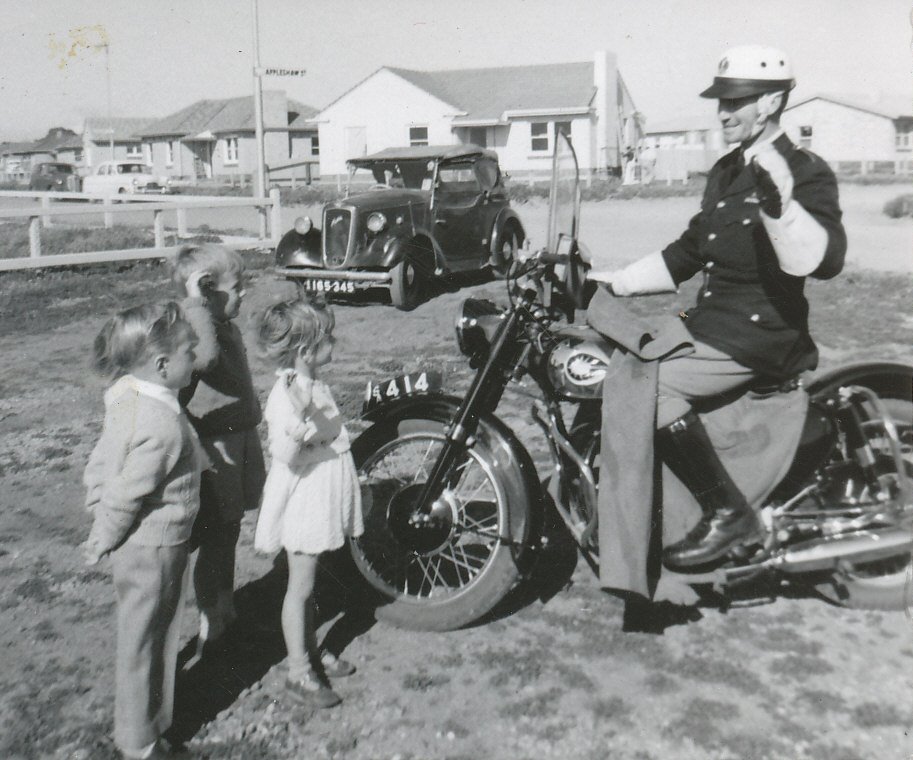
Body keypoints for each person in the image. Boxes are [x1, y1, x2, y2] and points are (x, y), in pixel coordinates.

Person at [588, 45, 846, 570]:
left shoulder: (804, 171)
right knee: (617, 358)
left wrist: (781, 209)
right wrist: (611, 283)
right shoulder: (727, 171)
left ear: (771, 102)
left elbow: (823, 261)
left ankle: (726, 512)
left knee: (644, 389)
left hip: (759, 335)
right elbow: (687, 253)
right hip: (708, 324)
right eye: (720, 102)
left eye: (738, 101)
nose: (724, 112)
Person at [83, 302, 207, 760]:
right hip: (154, 548)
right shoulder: (161, 426)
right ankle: (139, 743)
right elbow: (127, 493)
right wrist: (103, 534)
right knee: (148, 644)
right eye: (190, 352)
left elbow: (102, 462)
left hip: (149, 546)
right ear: (161, 365)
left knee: (151, 639)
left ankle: (149, 726)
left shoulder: (131, 397)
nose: (196, 360)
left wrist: (97, 503)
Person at [253, 296, 364, 708]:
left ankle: (310, 651)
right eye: (328, 337)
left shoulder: (313, 384)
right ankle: (298, 671)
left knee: (312, 584)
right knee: (300, 588)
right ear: (305, 351)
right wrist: (300, 422)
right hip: (304, 501)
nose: (335, 341)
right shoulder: (286, 395)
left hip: (322, 496)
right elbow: (284, 452)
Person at [170, 244, 266, 651]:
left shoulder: (221, 321)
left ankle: (225, 608)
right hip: (216, 444)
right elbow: (205, 360)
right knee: (215, 534)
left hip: (239, 434)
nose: (243, 294)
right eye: (237, 287)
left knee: (228, 530)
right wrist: (195, 303)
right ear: (208, 289)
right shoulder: (193, 326)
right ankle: (212, 618)